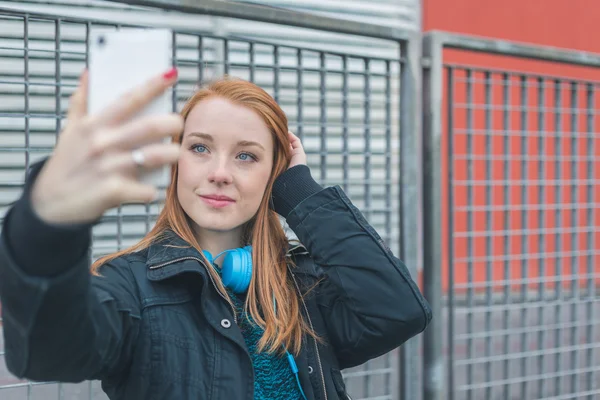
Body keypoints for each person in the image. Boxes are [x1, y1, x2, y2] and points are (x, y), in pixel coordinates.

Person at [0, 68, 432, 400]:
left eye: (246, 156)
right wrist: (46, 222)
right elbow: (47, 351)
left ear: (274, 174)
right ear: (175, 161)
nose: (220, 174)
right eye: (200, 148)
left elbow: (398, 312)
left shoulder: (302, 289)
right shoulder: (128, 286)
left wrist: (301, 194)